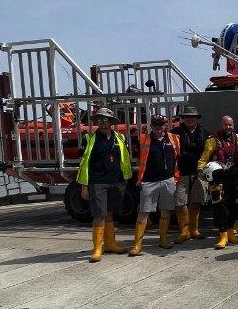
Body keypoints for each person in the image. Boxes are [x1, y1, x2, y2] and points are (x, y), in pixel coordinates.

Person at [77, 107, 131, 263]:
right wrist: (84, 185)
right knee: (98, 214)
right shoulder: (89, 138)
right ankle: (97, 248)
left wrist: (125, 179)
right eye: (100, 120)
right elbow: (84, 163)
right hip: (98, 181)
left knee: (110, 213)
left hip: (116, 180)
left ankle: (111, 244)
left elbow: (125, 159)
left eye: (106, 120)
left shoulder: (120, 138)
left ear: (111, 122)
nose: (103, 123)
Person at [129, 115, 180, 255]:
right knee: (144, 212)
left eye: (161, 125)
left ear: (165, 126)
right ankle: (137, 244)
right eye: (156, 125)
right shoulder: (144, 139)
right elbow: (138, 159)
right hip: (149, 181)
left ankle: (163, 239)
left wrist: (175, 177)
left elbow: (177, 157)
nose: (158, 128)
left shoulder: (174, 139)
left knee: (166, 211)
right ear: (152, 126)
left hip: (168, 180)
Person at [197, 115, 238, 249]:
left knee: (235, 206)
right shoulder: (213, 140)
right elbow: (204, 158)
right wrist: (200, 170)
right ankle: (223, 235)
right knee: (220, 208)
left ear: (233, 125)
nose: (228, 127)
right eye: (225, 125)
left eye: (230, 125)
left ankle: (231, 233)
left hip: (235, 178)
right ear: (221, 125)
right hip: (218, 179)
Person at [170, 106, 209, 244]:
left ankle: (194, 230)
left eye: (192, 116)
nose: (190, 119)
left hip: (199, 173)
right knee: (180, 203)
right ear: (183, 118)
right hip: (181, 172)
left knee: (196, 201)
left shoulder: (205, 133)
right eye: (187, 116)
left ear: (197, 118)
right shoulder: (174, 133)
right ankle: (184, 232)